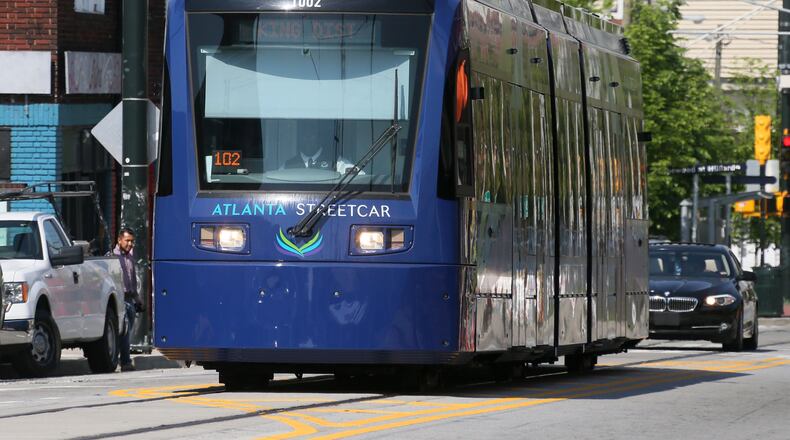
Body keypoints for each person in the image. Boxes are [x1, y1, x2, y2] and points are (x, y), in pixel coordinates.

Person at [112, 227, 143, 372]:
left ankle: (116, 357)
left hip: (130, 299)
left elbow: (132, 281)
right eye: (127, 241)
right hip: (119, 299)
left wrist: (137, 299)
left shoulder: (130, 257)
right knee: (123, 331)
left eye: (132, 241)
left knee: (125, 332)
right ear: (119, 240)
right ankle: (125, 362)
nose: (130, 244)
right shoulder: (112, 257)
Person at [282, 121, 358, 173]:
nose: (308, 138)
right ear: (299, 138)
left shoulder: (335, 162)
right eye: (304, 134)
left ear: (319, 137)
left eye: (312, 134)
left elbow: (360, 177)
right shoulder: (288, 165)